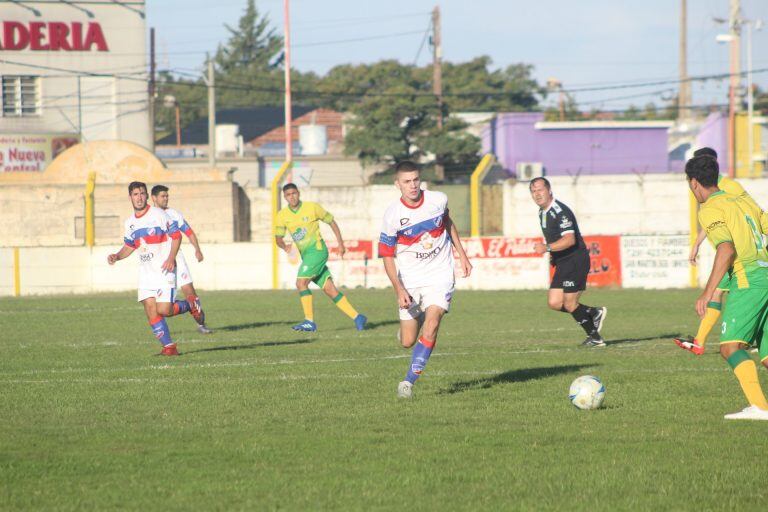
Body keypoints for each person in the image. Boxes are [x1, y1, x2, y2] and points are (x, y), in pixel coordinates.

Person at [379, 160, 473, 399]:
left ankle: (408, 383)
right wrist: (398, 289)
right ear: (397, 184)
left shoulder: (438, 199)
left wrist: (461, 254)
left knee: (431, 325)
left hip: (440, 274)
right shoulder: (392, 215)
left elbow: (447, 223)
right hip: (410, 281)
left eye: (416, 180)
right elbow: (387, 256)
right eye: (407, 182)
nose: (413, 185)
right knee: (407, 341)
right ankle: (411, 327)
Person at [685, 154, 768, 420]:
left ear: (694, 182)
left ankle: (760, 408)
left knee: (730, 347)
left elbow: (726, 249)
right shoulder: (741, 200)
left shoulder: (709, 208)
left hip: (749, 279)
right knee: (766, 354)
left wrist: (707, 292)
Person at [676, 147, 767, 355]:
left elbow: (729, 244)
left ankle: (700, 341)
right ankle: (700, 340)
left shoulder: (729, 188)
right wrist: (698, 242)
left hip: (744, 264)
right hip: (753, 265)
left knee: (731, 348)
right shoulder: (716, 198)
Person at [107, 181, 192, 356]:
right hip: (146, 274)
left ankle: (190, 305)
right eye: (135, 194)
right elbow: (129, 246)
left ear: (147, 196)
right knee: (150, 310)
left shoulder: (159, 214)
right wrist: (117, 256)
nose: (139, 197)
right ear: (130, 197)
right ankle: (169, 347)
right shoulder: (130, 222)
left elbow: (176, 237)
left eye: (142, 194)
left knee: (164, 310)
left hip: (164, 270)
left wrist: (170, 258)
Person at [274, 183, 367, 332]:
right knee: (330, 290)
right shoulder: (282, 216)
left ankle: (309, 321)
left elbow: (331, 221)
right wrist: (285, 247)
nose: (292, 197)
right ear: (285, 197)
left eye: (294, 193)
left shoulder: (312, 207)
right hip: (307, 256)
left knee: (301, 283)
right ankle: (358, 317)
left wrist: (340, 244)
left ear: (298, 193)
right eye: (288, 195)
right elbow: (278, 238)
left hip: (317, 251)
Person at [529, 177, 607, 347]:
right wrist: (553, 254)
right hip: (563, 261)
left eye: (540, 190)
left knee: (570, 303)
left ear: (549, 190)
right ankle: (593, 312)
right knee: (554, 303)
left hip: (575, 260)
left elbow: (570, 240)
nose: (537, 194)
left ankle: (595, 338)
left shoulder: (560, 211)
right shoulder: (542, 211)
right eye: (533, 191)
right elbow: (556, 237)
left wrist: (547, 247)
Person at [150, 184, 213, 334]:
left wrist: (197, 249)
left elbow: (189, 232)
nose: (165, 199)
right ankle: (162, 327)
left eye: (167, 196)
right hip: (158, 261)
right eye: (162, 196)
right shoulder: (149, 215)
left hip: (177, 256)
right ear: (153, 198)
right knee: (156, 299)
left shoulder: (174, 214)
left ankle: (201, 324)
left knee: (190, 293)